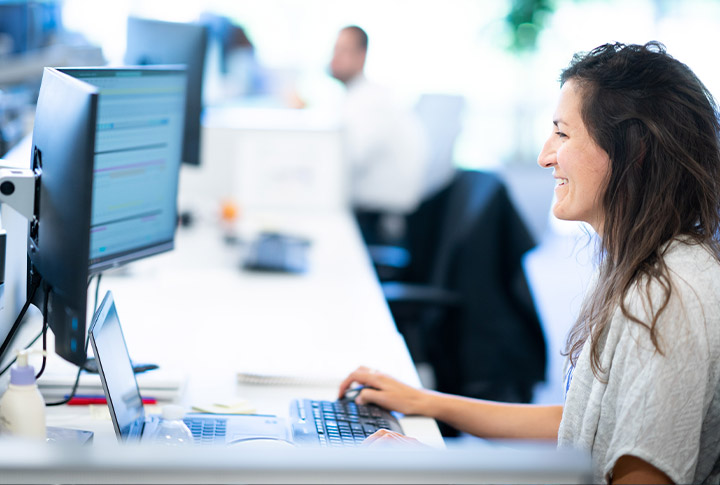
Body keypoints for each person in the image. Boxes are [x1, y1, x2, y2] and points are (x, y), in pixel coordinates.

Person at [338, 42, 720, 484]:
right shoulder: (657, 266)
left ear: (632, 151)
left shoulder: (664, 301)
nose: (545, 156)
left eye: (562, 133)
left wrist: (437, 471)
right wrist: (428, 402)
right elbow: (585, 424)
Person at [329, 25, 428, 244]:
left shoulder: (371, 102)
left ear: (361, 56)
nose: (333, 59)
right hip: (369, 213)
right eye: (334, 50)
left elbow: (348, 159)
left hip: (377, 222)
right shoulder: (356, 98)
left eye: (342, 51)